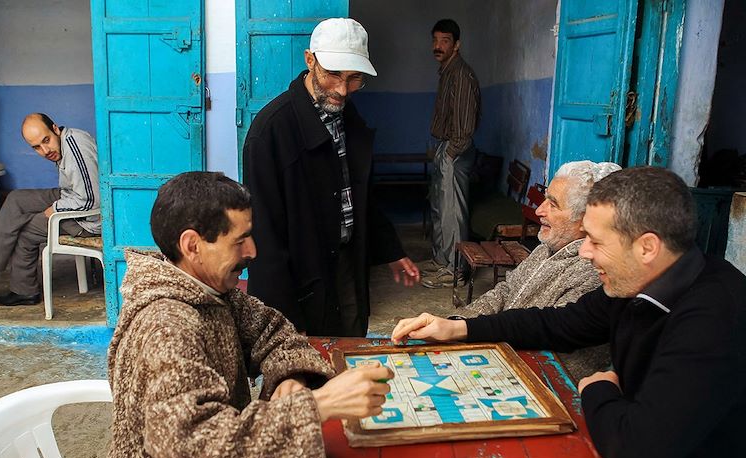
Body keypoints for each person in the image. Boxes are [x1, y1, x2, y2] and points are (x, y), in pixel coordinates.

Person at [392, 166, 746, 458]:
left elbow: (639, 451)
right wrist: (458, 327)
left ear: (647, 247)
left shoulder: (714, 318)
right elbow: (558, 323)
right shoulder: (637, 283)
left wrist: (598, 389)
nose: (586, 254)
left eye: (595, 241)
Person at [100, 171, 393, 458]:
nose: (252, 251)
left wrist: (290, 375)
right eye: (239, 241)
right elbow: (196, 449)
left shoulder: (210, 292)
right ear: (192, 246)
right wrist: (319, 406)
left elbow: (273, 329)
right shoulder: (165, 327)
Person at [243, 17, 419, 337]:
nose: (342, 89)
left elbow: (361, 195)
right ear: (310, 60)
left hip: (346, 264)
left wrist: (390, 249)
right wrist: (276, 324)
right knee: (305, 366)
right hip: (298, 277)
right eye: (333, 74)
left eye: (354, 79)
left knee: (349, 349)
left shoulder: (348, 118)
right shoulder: (271, 132)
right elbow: (264, 239)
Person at [0, 113, 100, 306]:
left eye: (46, 140)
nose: (45, 150)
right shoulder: (63, 142)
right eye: (37, 147)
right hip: (71, 196)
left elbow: (92, 200)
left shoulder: (76, 145)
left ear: (55, 129)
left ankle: (24, 291)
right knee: (17, 199)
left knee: (27, 229)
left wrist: (54, 209)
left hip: (89, 220)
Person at [464, 160, 620, 315]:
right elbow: (507, 289)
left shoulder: (590, 274)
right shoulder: (544, 249)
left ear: (585, 218)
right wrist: (462, 320)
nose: (539, 211)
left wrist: (468, 330)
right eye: (545, 199)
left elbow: (546, 332)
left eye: (553, 204)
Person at [421, 19, 481, 289]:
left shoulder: (461, 75)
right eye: (435, 40)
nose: (438, 46)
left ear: (457, 45)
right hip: (446, 148)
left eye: (445, 41)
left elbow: (465, 129)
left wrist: (449, 154)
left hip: (456, 151)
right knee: (439, 208)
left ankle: (456, 270)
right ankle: (441, 259)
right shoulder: (447, 71)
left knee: (452, 213)